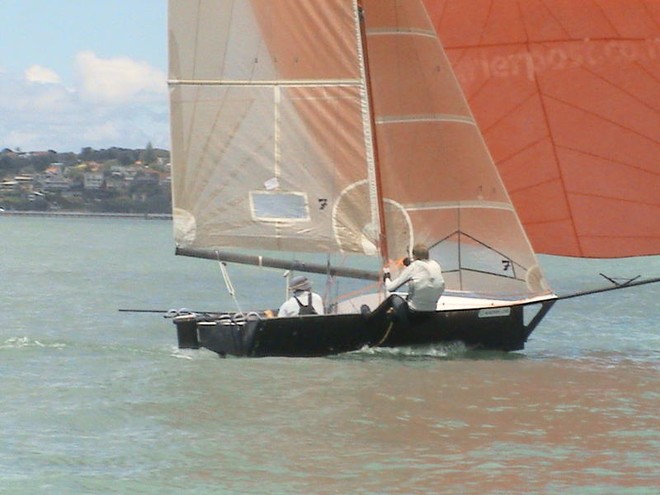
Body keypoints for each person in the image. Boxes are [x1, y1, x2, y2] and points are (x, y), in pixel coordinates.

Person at [383, 243, 445, 312]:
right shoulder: (435, 265)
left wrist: (386, 277)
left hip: (413, 312)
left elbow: (390, 288)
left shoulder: (414, 267)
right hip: (432, 310)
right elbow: (423, 271)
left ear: (414, 256)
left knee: (393, 298)